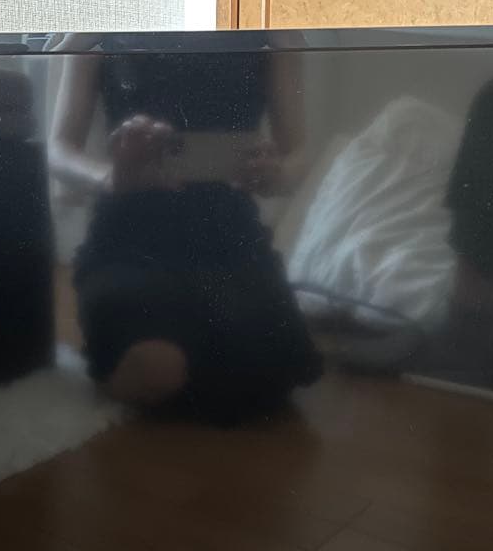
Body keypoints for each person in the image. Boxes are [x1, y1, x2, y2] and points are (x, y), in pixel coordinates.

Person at [48, 34, 320, 422]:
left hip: (230, 237)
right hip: (128, 237)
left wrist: (275, 174)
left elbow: (298, 154)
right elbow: (58, 148)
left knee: (272, 373)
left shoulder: (269, 32)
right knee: (158, 368)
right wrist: (110, 178)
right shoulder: (102, 24)